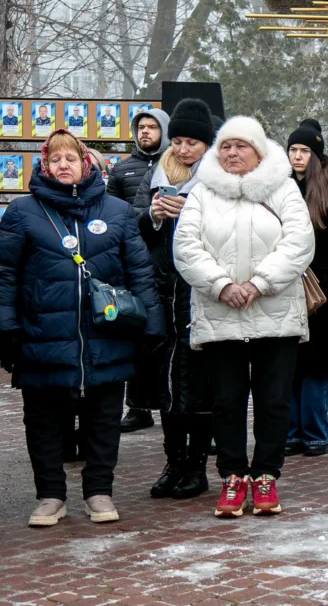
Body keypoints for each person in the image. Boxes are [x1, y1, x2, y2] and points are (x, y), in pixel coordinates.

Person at [0, 129, 164, 527]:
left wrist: (152, 326)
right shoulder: (22, 212)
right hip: (42, 335)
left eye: (70, 159)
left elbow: (139, 270)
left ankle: (99, 491)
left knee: (103, 417)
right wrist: (7, 330)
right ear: (44, 166)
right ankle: (50, 495)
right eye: (55, 160)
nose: (63, 166)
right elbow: (2, 274)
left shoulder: (116, 211)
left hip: (107, 333)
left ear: (85, 164)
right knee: (44, 420)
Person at [173, 116, 315, 518]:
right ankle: (233, 477)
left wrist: (259, 283)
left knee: (274, 401)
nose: (232, 153)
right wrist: (221, 285)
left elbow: (300, 242)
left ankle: (266, 475)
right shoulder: (202, 192)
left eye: (242, 146)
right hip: (221, 314)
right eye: (226, 146)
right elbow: (185, 246)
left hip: (275, 312)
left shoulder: (283, 188)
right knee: (227, 401)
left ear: (259, 151)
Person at [128, 98, 215, 500]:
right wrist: (156, 214)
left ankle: (196, 466)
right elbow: (133, 223)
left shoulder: (217, 178)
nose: (182, 149)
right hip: (161, 291)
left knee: (196, 384)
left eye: (192, 142)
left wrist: (193, 213)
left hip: (199, 294)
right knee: (165, 385)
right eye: (177, 140)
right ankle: (172, 461)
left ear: (206, 144)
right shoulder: (160, 171)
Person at [284, 119, 328, 457]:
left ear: (316, 154)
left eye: (304, 150)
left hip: (319, 289)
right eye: (293, 149)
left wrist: (311, 271)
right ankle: (292, 433)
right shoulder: (277, 188)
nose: (297, 156)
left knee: (317, 365)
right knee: (289, 363)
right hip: (282, 285)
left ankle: (315, 433)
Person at [110, 105, 172, 434]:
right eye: (141, 127)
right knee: (138, 342)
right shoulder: (122, 170)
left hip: (169, 266)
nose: (145, 132)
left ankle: (165, 400)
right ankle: (137, 407)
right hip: (135, 264)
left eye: (152, 127)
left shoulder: (174, 166)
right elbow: (114, 216)